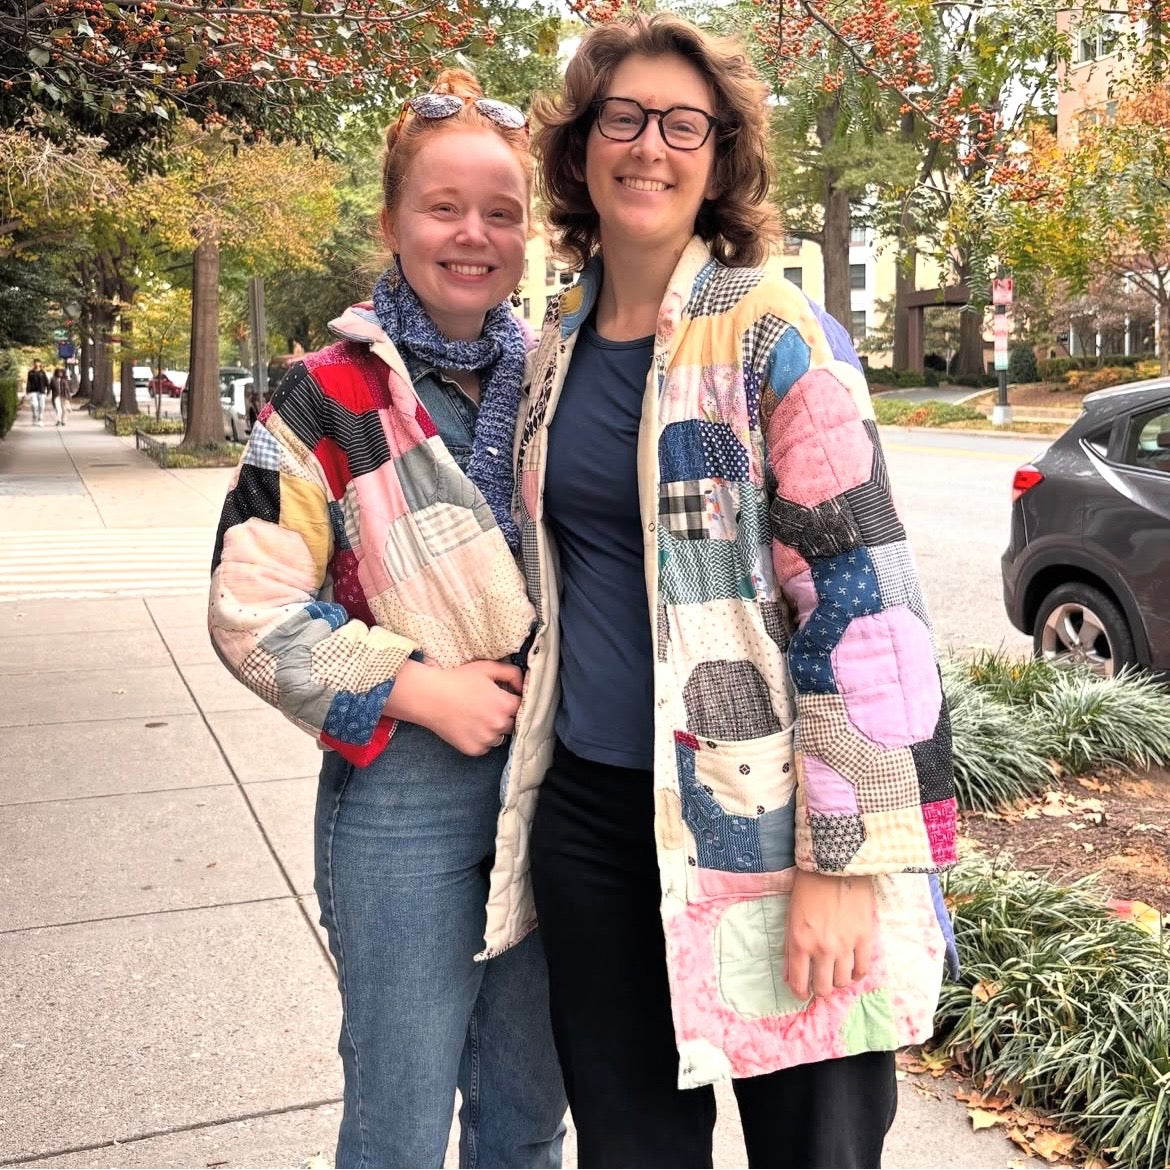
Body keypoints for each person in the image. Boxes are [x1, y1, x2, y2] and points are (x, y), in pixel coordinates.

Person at [505, 14, 960, 1169]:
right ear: (580, 147)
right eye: (623, 117)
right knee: (631, 1152)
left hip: (768, 825)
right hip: (597, 828)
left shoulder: (775, 332)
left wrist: (845, 861)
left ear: (719, 159)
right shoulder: (554, 346)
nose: (649, 146)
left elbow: (866, 602)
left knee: (816, 1152)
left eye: (683, 125)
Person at [208, 70, 565, 1170]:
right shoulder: (324, 395)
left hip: (553, 783)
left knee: (526, 1121)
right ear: (392, 222)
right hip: (406, 794)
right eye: (443, 207)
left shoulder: (561, 381)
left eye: (501, 211)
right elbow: (248, 608)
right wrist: (419, 689)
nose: (473, 234)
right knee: (398, 1125)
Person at [25, 360, 49, 426]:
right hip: (33, 391)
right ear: (34, 364)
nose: (37, 364)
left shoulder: (42, 372)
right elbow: (28, 382)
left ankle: (40, 419)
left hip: (41, 391)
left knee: (41, 406)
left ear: (40, 364)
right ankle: (34, 417)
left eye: (38, 362)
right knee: (34, 405)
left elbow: (46, 381)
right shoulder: (30, 372)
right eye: (36, 362)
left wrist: (48, 390)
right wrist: (27, 390)